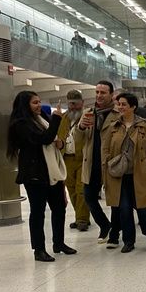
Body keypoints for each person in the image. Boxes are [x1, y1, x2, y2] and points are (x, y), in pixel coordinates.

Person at [6, 91, 76, 262]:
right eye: (34, 103)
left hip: (51, 171)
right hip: (35, 174)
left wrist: (59, 142)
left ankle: (58, 243)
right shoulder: (20, 124)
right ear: (25, 105)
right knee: (38, 212)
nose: (38, 105)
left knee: (59, 208)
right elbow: (43, 139)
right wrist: (57, 119)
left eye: (39, 101)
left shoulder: (41, 119)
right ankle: (39, 249)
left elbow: (51, 140)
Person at [102, 92, 146, 253]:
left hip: (139, 174)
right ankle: (129, 241)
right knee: (124, 210)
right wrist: (107, 163)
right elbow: (105, 148)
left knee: (143, 208)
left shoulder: (144, 125)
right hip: (119, 176)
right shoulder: (113, 127)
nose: (120, 107)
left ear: (133, 107)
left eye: (124, 104)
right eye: (119, 104)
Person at [79, 80, 121, 245]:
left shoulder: (118, 113)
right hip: (92, 161)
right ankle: (105, 225)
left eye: (103, 93)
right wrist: (81, 127)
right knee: (89, 195)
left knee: (114, 199)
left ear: (111, 94)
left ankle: (114, 234)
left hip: (112, 161)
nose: (99, 95)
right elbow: (77, 138)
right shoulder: (89, 112)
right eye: (97, 92)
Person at [57, 89, 90, 231]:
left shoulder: (87, 117)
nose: (73, 107)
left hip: (83, 159)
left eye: (76, 104)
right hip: (66, 159)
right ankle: (80, 216)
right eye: (71, 104)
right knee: (71, 190)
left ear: (82, 103)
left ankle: (82, 219)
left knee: (81, 189)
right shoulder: (62, 118)